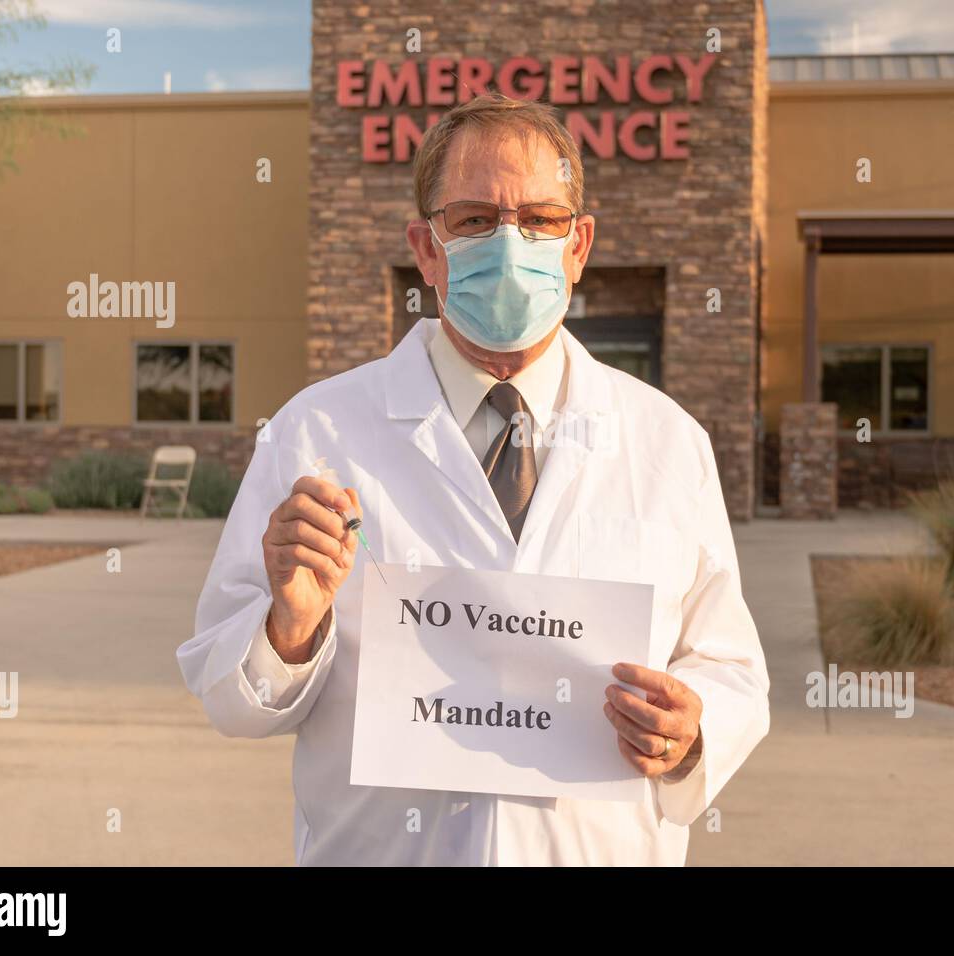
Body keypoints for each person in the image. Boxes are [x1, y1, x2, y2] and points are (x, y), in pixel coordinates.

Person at [177, 92, 768, 866]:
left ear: (579, 244)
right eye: (474, 220)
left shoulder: (667, 443)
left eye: (540, 219)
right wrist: (289, 630)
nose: (510, 241)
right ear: (427, 248)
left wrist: (693, 735)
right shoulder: (317, 434)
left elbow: (730, 670)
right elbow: (231, 700)